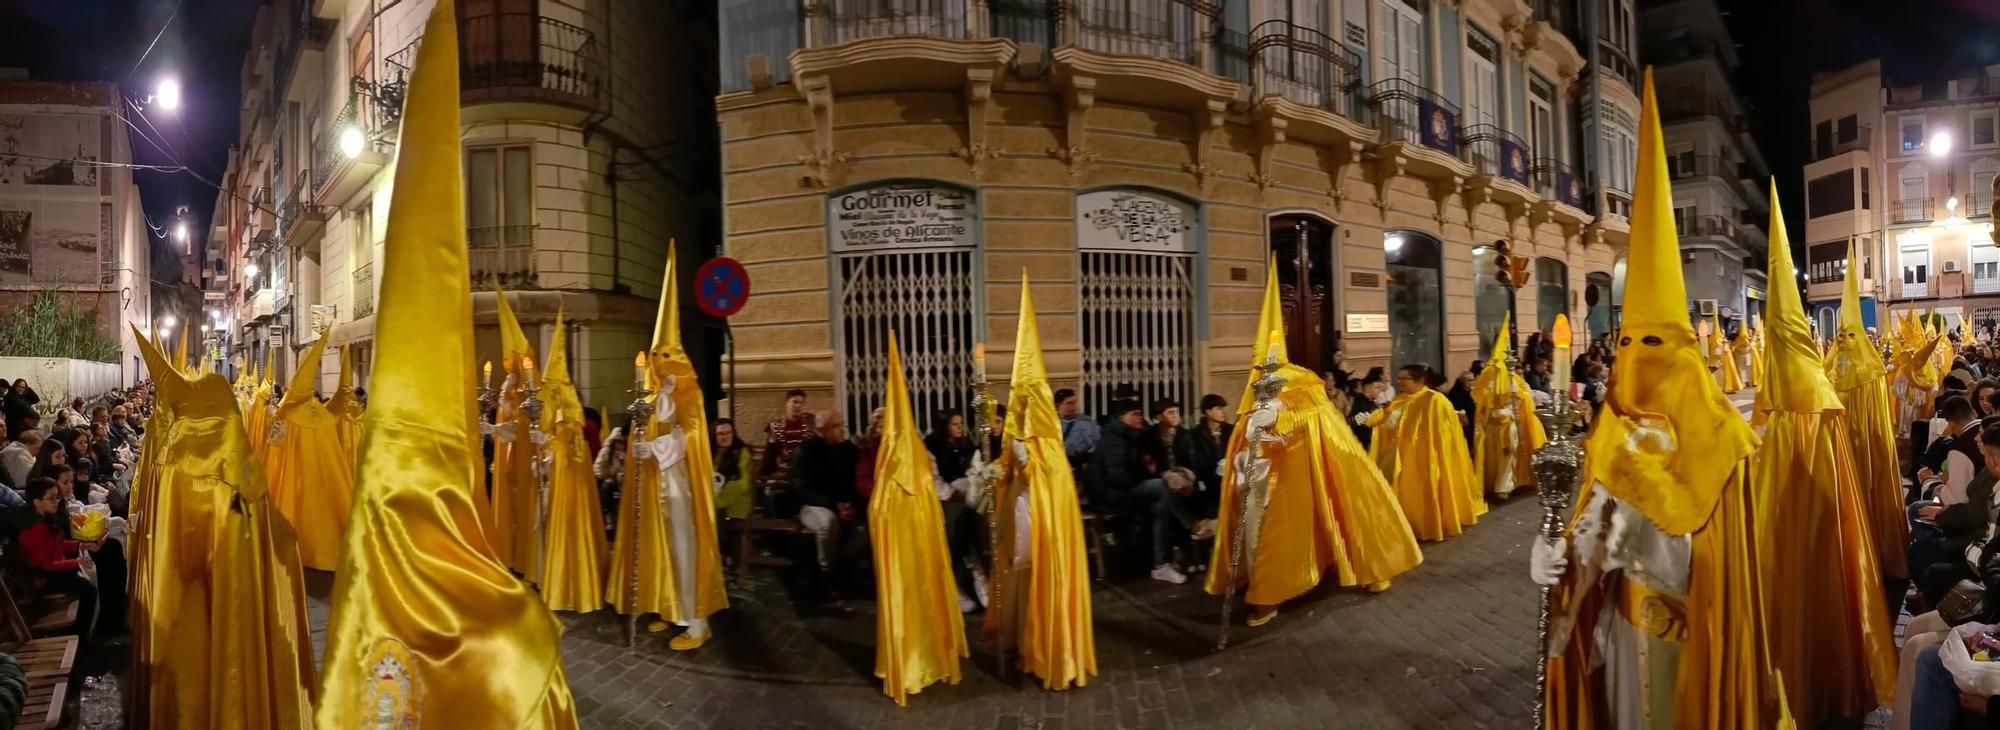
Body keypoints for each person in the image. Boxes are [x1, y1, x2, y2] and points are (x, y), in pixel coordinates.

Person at [1534, 72, 1791, 728]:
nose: (1639, 361)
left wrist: (1627, 484)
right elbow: (1591, 540)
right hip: (1625, 629)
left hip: (1695, 631)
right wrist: (1562, 555)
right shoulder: (1611, 427)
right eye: (1628, 344)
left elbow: (1701, 553)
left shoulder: (1722, 438)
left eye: (1656, 344)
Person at [1747, 185, 1895, 724]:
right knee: (1827, 589)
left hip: (1789, 524)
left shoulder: (1792, 391)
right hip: (1824, 513)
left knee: (1793, 599)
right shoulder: (1826, 383)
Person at [1206, 277, 1421, 628]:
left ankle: (1276, 593)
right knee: (1257, 537)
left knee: (1334, 514)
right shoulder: (1256, 385)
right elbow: (1247, 432)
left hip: (1299, 472)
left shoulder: (1302, 383)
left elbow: (1315, 421)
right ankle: (1265, 593)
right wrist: (1245, 447)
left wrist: (1281, 419)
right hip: (1258, 478)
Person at [981, 283, 1096, 690]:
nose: (1022, 410)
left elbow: (1051, 485)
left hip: (1044, 528)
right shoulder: (1013, 438)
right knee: (1017, 579)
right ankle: (1017, 638)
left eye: (1029, 403)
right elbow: (1004, 469)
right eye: (1019, 403)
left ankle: (1045, 647)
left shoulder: (1050, 448)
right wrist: (996, 472)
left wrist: (1030, 467)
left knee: (1041, 581)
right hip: (1019, 524)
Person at [868, 337, 967, 705]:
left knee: (916, 598)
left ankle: (918, 660)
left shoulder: (909, 472)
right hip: (907, 556)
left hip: (916, 555)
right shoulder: (903, 471)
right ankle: (922, 659)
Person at [1367, 364, 1483, 541]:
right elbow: (1389, 423)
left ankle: (1428, 525)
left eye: (1404, 379)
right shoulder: (1401, 399)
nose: (1399, 382)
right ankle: (1407, 524)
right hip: (1403, 455)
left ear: (1419, 380)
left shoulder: (1435, 400)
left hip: (1428, 457)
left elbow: (1446, 433)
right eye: (1399, 378)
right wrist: (1376, 419)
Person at [1090, 400, 1197, 584]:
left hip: (1125, 490)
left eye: (1140, 413)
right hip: (1111, 495)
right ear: (1121, 417)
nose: (1140, 417)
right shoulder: (1113, 439)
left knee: (1161, 506)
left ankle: (1161, 564)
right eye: (1135, 414)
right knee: (1161, 486)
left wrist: (1147, 468)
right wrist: (1145, 473)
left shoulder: (1130, 436)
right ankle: (1191, 527)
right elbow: (1117, 477)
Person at [1471, 318, 1545, 500]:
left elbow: (1525, 395)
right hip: (1493, 421)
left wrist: (1518, 395)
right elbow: (1479, 395)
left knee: (1509, 454)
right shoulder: (1489, 372)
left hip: (1509, 420)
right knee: (1497, 456)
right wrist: (1496, 395)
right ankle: (1495, 484)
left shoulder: (1512, 374)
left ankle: (1504, 486)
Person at [16, 477, 97, 641]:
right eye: (51, 498)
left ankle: (79, 635)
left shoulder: (44, 518)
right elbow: (45, 565)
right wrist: (77, 561)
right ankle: (78, 637)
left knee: (86, 584)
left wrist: (81, 546)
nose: (56, 502)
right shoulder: (35, 528)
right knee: (88, 590)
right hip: (42, 580)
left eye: (57, 497)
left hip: (50, 572)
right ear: (36, 501)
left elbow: (57, 545)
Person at [793, 409, 861, 599]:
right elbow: (802, 487)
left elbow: (854, 481)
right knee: (827, 523)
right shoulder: (806, 450)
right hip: (814, 505)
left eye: (843, 425)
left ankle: (854, 576)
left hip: (844, 504)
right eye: (837, 427)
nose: (842, 430)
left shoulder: (849, 450)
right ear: (822, 430)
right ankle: (826, 572)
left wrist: (850, 504)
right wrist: (833, 505)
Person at [922, 409, 983, 610]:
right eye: (955, 424)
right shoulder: (931, 444)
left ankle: (979, 573)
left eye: (961, 423)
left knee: (974, 518)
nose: (960, 428)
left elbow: (975, 468)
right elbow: (932, 477)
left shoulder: (965, 443)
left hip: (965, 496)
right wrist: (950, 492)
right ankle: (956, 586)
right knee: (956, 523)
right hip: (942, 499)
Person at [1141, 398, 1205, 543]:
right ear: (1159, 417)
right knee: (1166, 496)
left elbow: (1193, 461)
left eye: (1176, 412)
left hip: (1183, 478)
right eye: (1170, 413)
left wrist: (1193, 481)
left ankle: (1192, 544)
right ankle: (1192, 526)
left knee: (1187, 497)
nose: (1175, 415)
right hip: (1161, 480)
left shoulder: (1184, 435)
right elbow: (1146, 461)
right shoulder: (1149, 436)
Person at [758, 389, 816, 506]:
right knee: (770, 490)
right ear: (786, 404)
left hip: (805, 472)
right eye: (794, 402)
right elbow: (770, 453)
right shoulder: (776, 426)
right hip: (783, 471)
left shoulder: (811, 424)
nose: (798, 405)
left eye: (801, 403)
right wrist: (762, 474)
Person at [1188, 394, 1232, 519]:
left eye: (1223, 408)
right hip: (1208, 480)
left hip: (1230, 478)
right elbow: (1196, 461)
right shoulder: (1195, 434)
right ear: (1207, 411)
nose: (1223, 412)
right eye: (1218, 408)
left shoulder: (1231, 431)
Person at [712, 419, 754, 520]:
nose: (725, 437)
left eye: (728, 433)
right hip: (713, 499)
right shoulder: (710, 452)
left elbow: (741, 484)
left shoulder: (741, 453)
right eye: (720, 434)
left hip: (734, 505)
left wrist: (715, 501)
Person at [1054, 388, 1099, 470]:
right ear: (1058, 406)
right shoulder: (1052, 424)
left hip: (1079, 469)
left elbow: (1096, 446)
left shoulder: (1086, 422)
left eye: (1075, 402)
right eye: (1069, 403)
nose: (1074, 407)